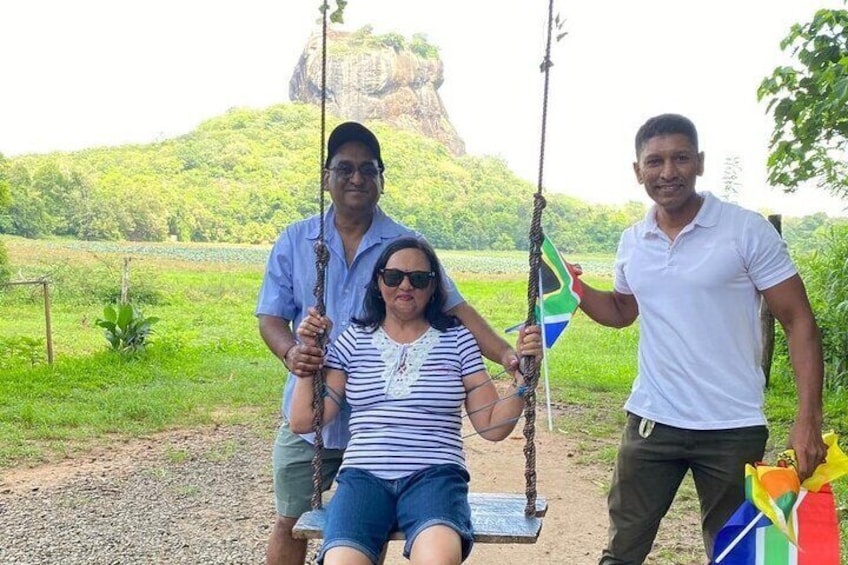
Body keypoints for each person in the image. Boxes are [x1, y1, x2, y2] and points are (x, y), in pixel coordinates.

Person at [256, 121, 524, 565]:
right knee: (292, 518)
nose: (356, 178)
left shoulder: (405, 246)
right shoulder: (297, 240)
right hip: (326, 397)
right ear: (327, 177)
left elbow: (456, 309)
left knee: (372, 529)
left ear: (381, 178)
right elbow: (270, 317)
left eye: (367, 169)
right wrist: (295, 355)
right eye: (344, 168)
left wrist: (508, 356)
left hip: (395, 427)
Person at [575, 113, 827, 564]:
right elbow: (620, 310)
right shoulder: (633, 241)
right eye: (654, 161)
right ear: (638, 171)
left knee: (736, 555)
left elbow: (799, 321)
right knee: (623, 550)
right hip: (652, 422)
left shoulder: (745, 230)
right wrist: (572, 288)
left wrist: (808, 419)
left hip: (731, 426)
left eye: (680, 158)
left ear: (700, 163)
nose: (667, 172)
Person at [290, 237, 542, 565]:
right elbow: (303, 421)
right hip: (363, 477)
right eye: (394, 277)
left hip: (435, 476)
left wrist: (523, 384)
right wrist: (308, 357)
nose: (405, 285)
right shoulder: (353, 340)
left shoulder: (458, 340)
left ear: (435, 287)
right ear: (378, 283)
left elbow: (491, 425)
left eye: (419, 278)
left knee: (437, 560)